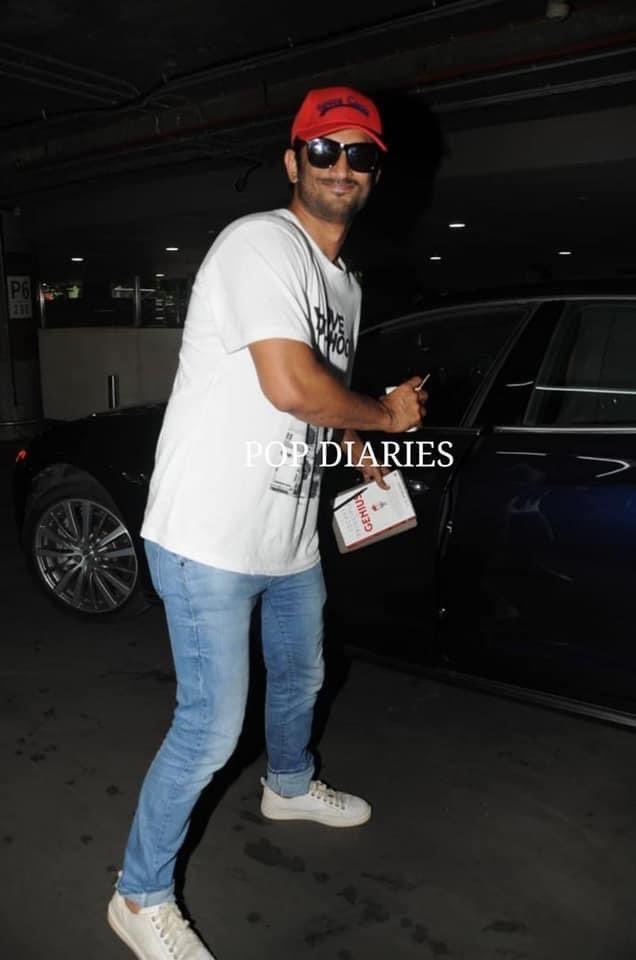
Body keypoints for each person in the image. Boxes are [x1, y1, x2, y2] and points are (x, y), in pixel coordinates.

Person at [107, 84, 427, 960]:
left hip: (285, 535)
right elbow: (287, 382)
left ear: (376, 173)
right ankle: (138, 897)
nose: (342, 166)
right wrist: (386, 417)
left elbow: (310, 403)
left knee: (302, 674)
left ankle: (287, 784)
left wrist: (359, 442)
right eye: (324, 149)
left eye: (361, 153)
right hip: (209, 532)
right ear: (293, 162)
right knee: (211, 725)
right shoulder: (261, 244)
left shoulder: (344, 287)